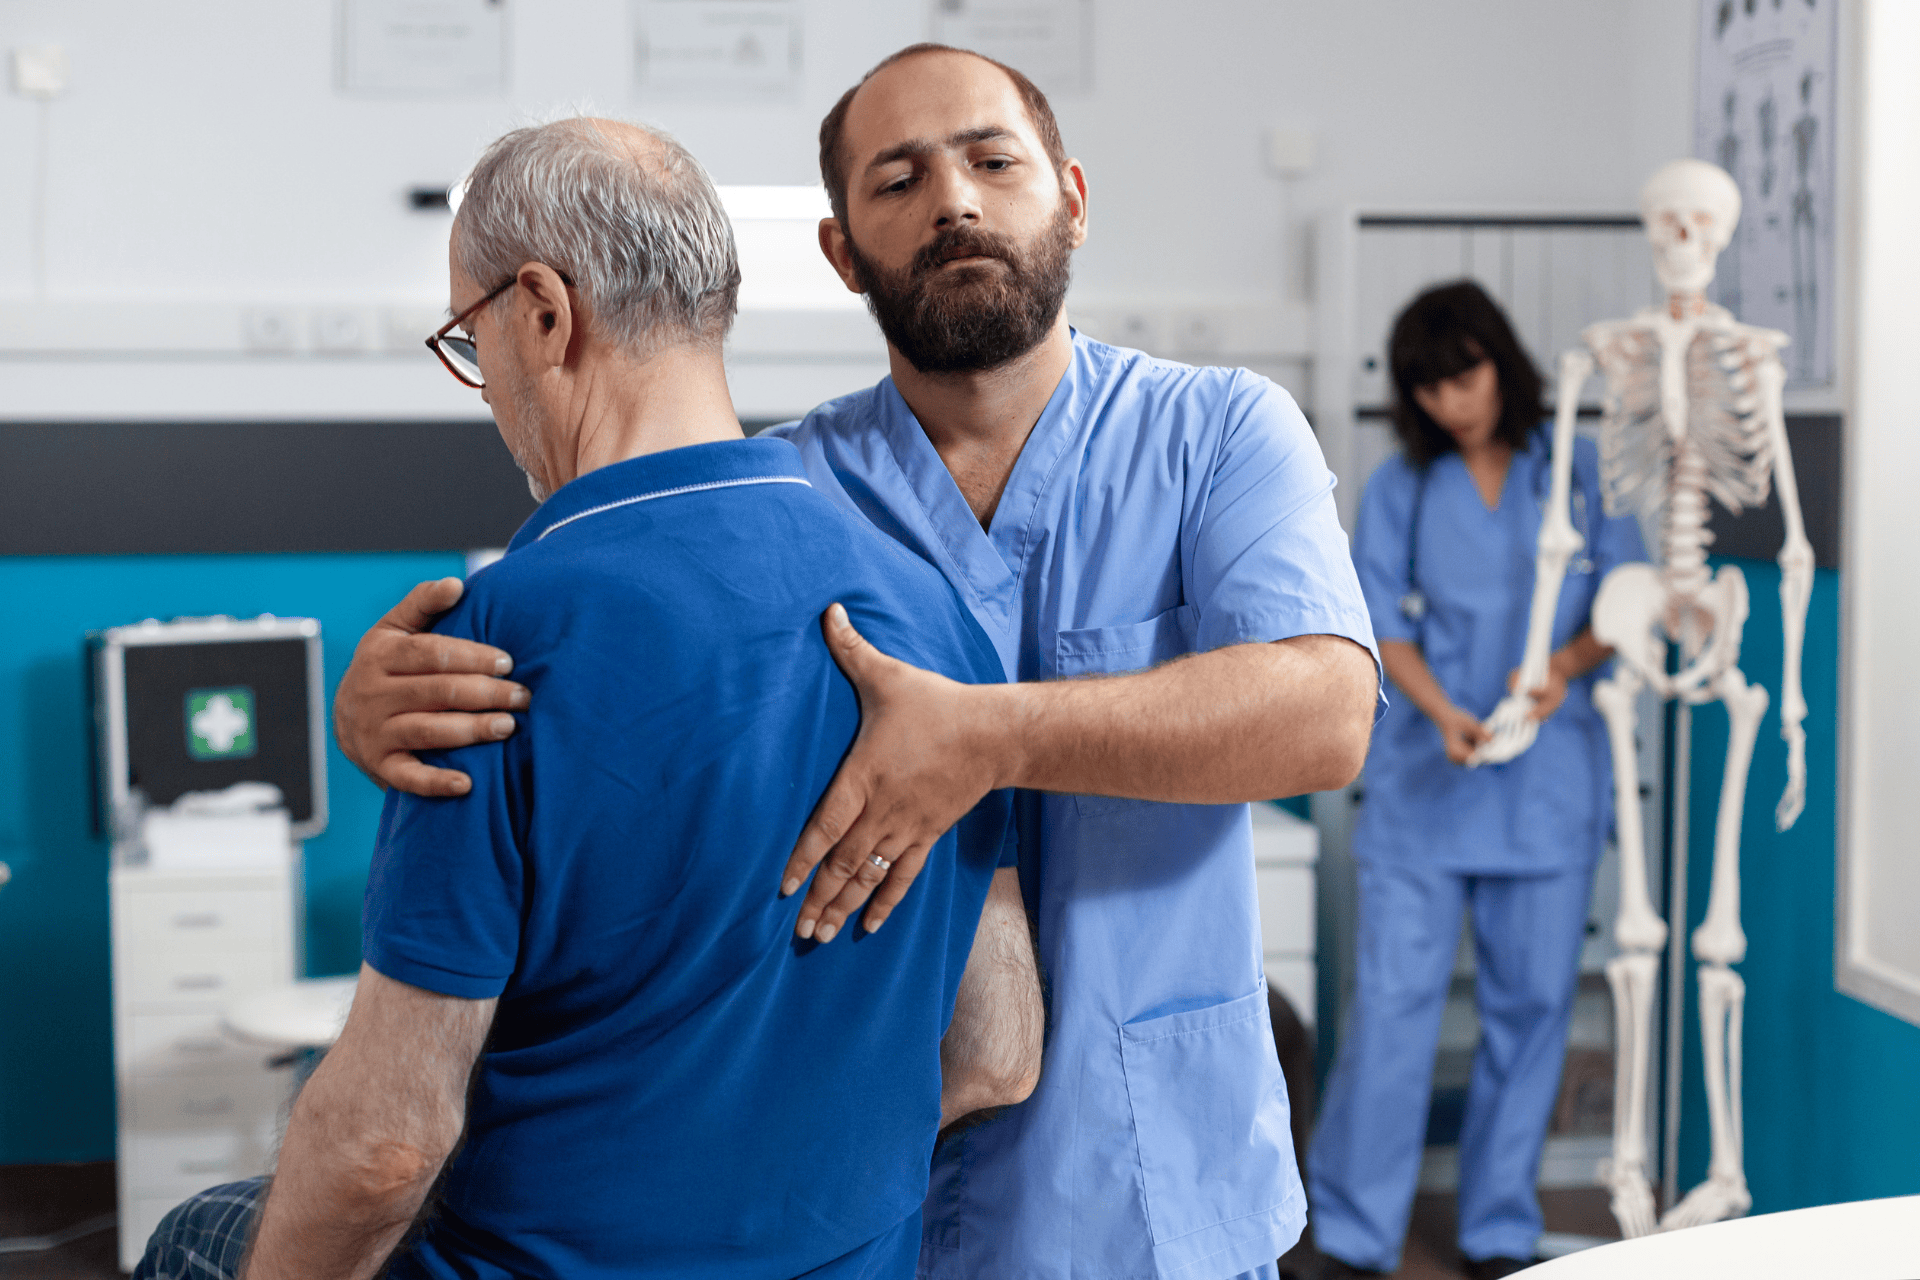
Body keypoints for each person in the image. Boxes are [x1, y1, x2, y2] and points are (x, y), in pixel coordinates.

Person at [335, 45, 1380, 1280]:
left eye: (994, 159)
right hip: (861, 1200)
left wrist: (986, 734)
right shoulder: (797, 489)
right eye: (898, 181)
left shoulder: (1221, 436)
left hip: (1144, 1176)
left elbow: (1324, 714)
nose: (955, 201)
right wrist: (388, 704)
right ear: (841, 253)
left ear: (1074, 197)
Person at [133, 116, 1043, 1280]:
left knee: (195, 1237)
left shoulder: (495, 645)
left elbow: (383, 1145)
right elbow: (999, 1051)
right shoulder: (937, 620)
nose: (485, 384)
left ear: (545, 313)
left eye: (472, 338)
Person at [1305, 281, 1647, 1280]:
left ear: (1501, 359)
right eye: (1433, 387)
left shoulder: (1576, 469)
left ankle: (1499, 1225)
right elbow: (1376, 618)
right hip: (1428, 776)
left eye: (1468, 375)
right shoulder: (1403, 487)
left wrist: (1560, 674)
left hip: (1549, 784)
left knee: (1530, 1009)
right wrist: (1443, 709)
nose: (1456, 401)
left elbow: (1623, 601)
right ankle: (1354, 1232)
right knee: (1394, 1008)